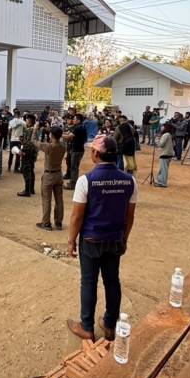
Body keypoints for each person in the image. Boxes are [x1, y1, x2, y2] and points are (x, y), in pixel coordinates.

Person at [66, 135, 137, 341]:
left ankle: (86, 326)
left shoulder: (86, 180)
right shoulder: (129, 181)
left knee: (88, 281)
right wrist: (124, 238)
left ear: (96, 154)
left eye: (92, 150)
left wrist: (71, 240)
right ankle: (110, 324)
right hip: (115, 239)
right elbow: (129, 215)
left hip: (91, 239)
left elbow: (77, 216)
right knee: (112, 281)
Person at [33, 124, 66, 230]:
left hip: (49, 175)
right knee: (59, 199)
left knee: (47, 200)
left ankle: (46, 223)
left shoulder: (48, 146)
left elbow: (34, 141)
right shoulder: (63, 146)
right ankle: (59, 222)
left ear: (51, 135)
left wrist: (35, 129)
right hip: (58, 174)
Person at [64, 114, 87, 189]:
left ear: (78, 120)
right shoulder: (80, 126)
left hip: (77, 150)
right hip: (78, 149)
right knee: (74, 166)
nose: (73, 120)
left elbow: (68, 136)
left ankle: (73, 184)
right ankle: (73, 182)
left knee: (74, 167)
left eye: (74, 119)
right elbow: (68, 134)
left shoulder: (78, 128)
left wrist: (57, 134)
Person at [18, 114, 38, 197]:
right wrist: (22, 140)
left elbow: (29, 143)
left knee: (26, 170)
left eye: (26, 119)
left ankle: (27, 191)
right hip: (32, 152)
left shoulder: (30, 130)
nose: (25, 121)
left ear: (29, 121)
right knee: (31, 170)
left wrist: (22, 150)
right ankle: (31, 189)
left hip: (28, 152)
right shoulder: (34, 129)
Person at [156, 122, 175, 187]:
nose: (162, 127)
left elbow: (161, 144)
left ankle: (162, 183)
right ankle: (161, 181)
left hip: (165, 154)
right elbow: (174, 144)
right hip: (169, 153)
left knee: (163, 169)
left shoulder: (166, 135)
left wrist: (157, 140)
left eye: (163, 126)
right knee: (164, 169)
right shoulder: (170, 134)